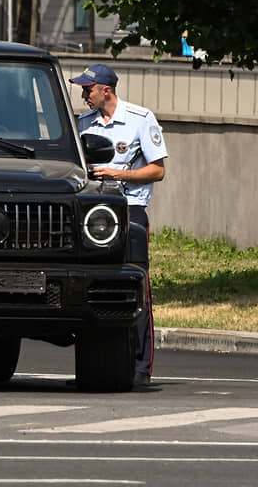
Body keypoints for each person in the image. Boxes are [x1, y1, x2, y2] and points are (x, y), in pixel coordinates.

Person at [70, 63, 169, 388]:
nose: (84, 94)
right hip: (95, 214)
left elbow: (157, 170)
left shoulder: (140, 120)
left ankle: (141, 367)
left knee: (136, 287)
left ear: (106, 90)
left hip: (131, 210)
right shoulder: (83, 124)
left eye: (88, 89)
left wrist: (119, 174)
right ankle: (100, 367)